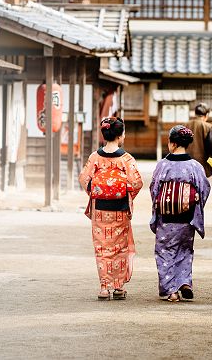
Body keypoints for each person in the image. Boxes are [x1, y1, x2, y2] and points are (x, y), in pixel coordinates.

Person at [79, 117, 143, 300]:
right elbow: (137, 182)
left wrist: (97, 192)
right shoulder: (126, 159)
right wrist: (124, 193)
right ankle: (118, 287)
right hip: (120, 208)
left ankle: (104, 287)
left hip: (100, 209)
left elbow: (84, 178)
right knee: (119, 248)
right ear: (121, 135)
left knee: (102, 248)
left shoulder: (95, 157)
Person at [149, 125, 211, 302]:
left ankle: (171, 290)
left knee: (165, 252)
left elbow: (154, 189)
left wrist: (161, 204)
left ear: (173, 143)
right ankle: (184, 282)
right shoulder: (195, 166)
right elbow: (204, 189)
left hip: (167, 218)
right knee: (185, 250)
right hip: (186, 218)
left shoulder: (163, 165)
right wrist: (194, 202)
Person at [185, 102, 212, 177]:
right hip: (201, 164)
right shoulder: (207, 127)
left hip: (186, 163)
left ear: (195, 114)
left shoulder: (186, 125)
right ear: (207, 115)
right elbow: (211, 148)